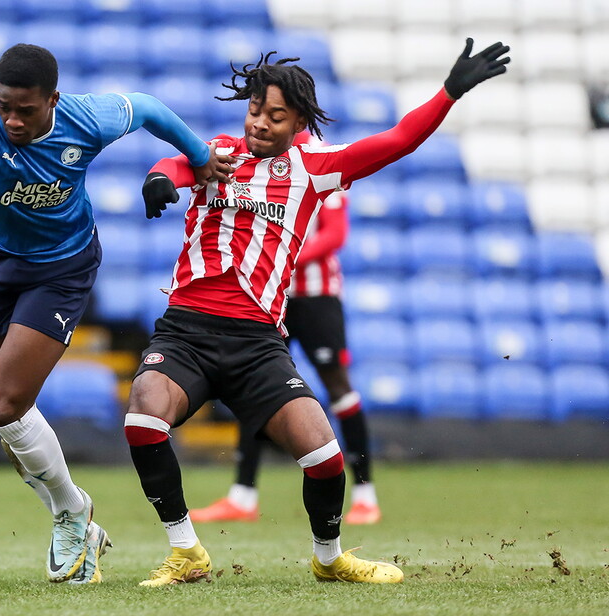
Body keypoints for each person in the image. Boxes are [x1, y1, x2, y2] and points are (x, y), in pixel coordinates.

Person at [125, 39, 509, 586]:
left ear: (299, 120)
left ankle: (329, 559)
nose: (259, 123)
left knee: (325, 457)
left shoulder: (315, 169)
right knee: (143, 416)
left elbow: (398, 140)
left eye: (275, 115)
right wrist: (161, 179)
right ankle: (185, 550)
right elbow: (176, 160)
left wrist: (448, 93)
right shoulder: (218, 151)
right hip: (187, 330)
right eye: (255, 110)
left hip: (258, 343)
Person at [0, 43, 232, 585]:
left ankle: (70, 514)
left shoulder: (86, 118)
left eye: (25, 110)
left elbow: (148, 107)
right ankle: (76, 510)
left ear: (52, 100)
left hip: (61, 269)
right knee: (5, 415)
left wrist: (199, 156)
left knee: (7, 403)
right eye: (5, 105)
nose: (12, 119)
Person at [190, 133, 382, 526]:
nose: (266, 119)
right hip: (265, 293)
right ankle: (242, 496)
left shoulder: (323, 157)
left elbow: (335, 232)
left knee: (338, 384)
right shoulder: (253, 153)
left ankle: (366, 494)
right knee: (252, 382)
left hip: (314, 296)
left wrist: (290, 255)